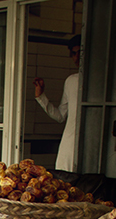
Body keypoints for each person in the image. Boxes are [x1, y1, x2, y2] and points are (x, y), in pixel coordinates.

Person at [33, 35, 81, 172]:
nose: (76, 58)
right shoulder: (71, 81)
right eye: (73, 54)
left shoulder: (100, 82)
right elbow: (60, 116)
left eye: (80, 53)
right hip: (70, 142)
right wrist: (41, 96)